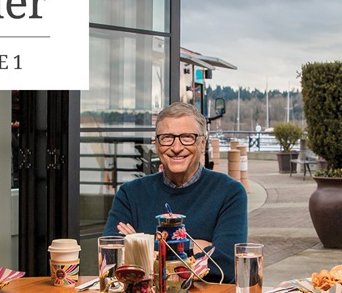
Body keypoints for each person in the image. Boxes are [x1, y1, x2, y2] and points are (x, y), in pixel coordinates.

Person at [104, 102, 247, 283]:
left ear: (202, 143)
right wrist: (197, 248)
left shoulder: (230, 193)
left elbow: (225, 268)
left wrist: (141, 248)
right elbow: (110, 259)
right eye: (167, 138)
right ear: (156, 144)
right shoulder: (130, 194)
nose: (177, 147)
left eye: (187, 137)